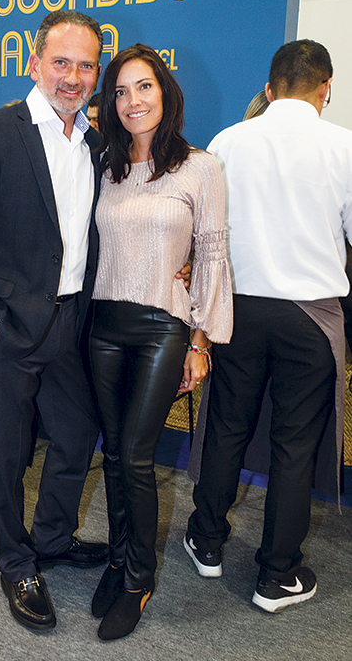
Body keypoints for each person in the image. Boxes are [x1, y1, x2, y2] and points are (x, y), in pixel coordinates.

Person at [0, 10, 109, 633]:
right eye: (61, 62)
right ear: (35, 63)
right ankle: (16, 562)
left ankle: (53, 538)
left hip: (70, 324)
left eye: (86, 65)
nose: (73, 77)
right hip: (8, 328)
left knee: (76, 435)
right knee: (8, 455)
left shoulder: (95, 144)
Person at [185, 39, 352, 613]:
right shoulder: (344, 146)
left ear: (269, 87)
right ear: (326, 88)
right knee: (295, 445)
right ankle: (277, 575)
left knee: (226, 426)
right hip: (312, 316)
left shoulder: (229, 141)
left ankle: (206, 542)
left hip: (238, 312)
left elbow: (204, 233)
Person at [88, 44, 233, 640]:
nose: (132, 101)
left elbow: (213, 256)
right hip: (102, 326)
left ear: (165, 92)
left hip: (161, 328)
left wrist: (200, 341)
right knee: (113, 454)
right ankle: (118, 557)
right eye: (120, 91)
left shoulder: (200, 167)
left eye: (143, 86)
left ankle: (138, 579)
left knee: (136, 455)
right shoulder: (105, 165)